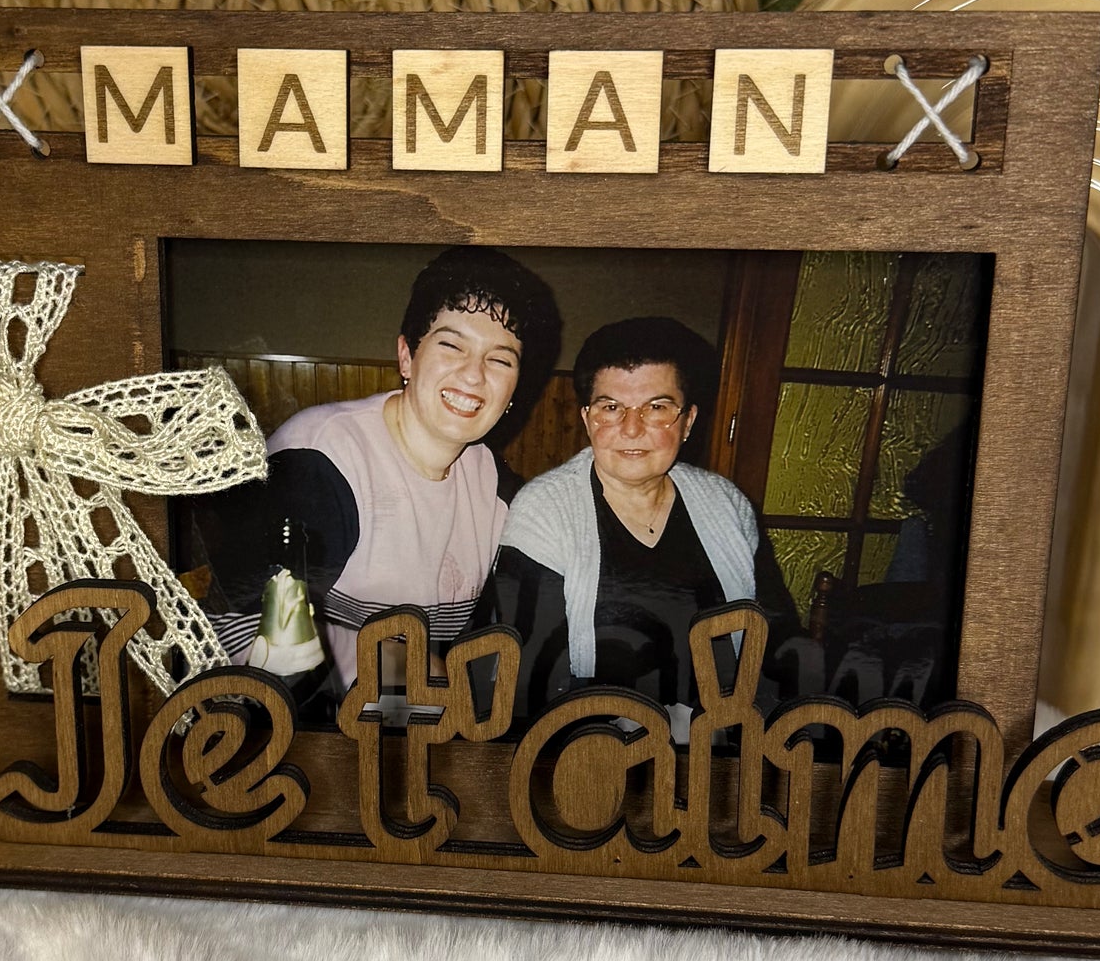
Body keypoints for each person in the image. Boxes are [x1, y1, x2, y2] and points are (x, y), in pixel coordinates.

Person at [200, 247, 561, 706]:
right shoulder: (319, 464)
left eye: (500, 360)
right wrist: (396, 667)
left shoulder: (498, 492)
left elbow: (498, 643)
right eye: (451, 346)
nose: (473, 375)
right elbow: (238, 629)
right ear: (407, 356)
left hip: (401, 723)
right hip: (261, 720)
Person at [478, 314, 793, 739]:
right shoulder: (545, 511)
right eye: (611, 408)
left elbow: (776, 641)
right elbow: (530, 678)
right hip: (589, 747)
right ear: (588, 419)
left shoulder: (727, 505)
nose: (631, 428)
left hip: (723, 746)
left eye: (657, 408)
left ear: (688, 421)